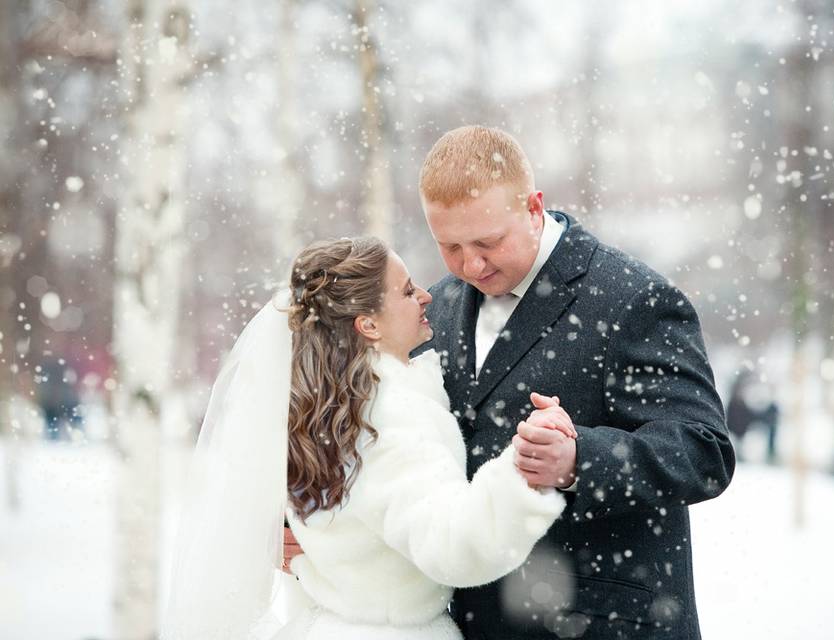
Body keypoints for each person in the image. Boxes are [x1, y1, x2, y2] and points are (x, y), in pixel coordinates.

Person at [289, 127, 736, 638]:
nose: (470, 264)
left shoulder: (632, 298)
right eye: (449, 246)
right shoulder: (434, 306)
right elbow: (379, 439)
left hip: (602, 624)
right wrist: (321, 531)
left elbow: (704, 453)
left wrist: (577, 461)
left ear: (534, 207)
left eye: (488, 242)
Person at [163, 237, 571, 640]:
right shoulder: (390, 416)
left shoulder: (328, 411)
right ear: (368, 324)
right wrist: (524, 467)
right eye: (408, 291)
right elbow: (451, 547)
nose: (427, 296)